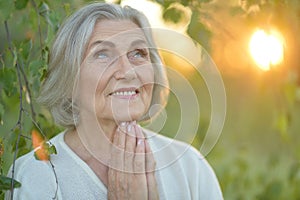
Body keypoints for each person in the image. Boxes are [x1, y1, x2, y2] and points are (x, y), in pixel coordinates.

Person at [6, 2, 223, 200]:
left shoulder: (190, 168)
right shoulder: (35, 175)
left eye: (138, 53)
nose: (128, 72)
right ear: (69, 78)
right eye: (102, 54)